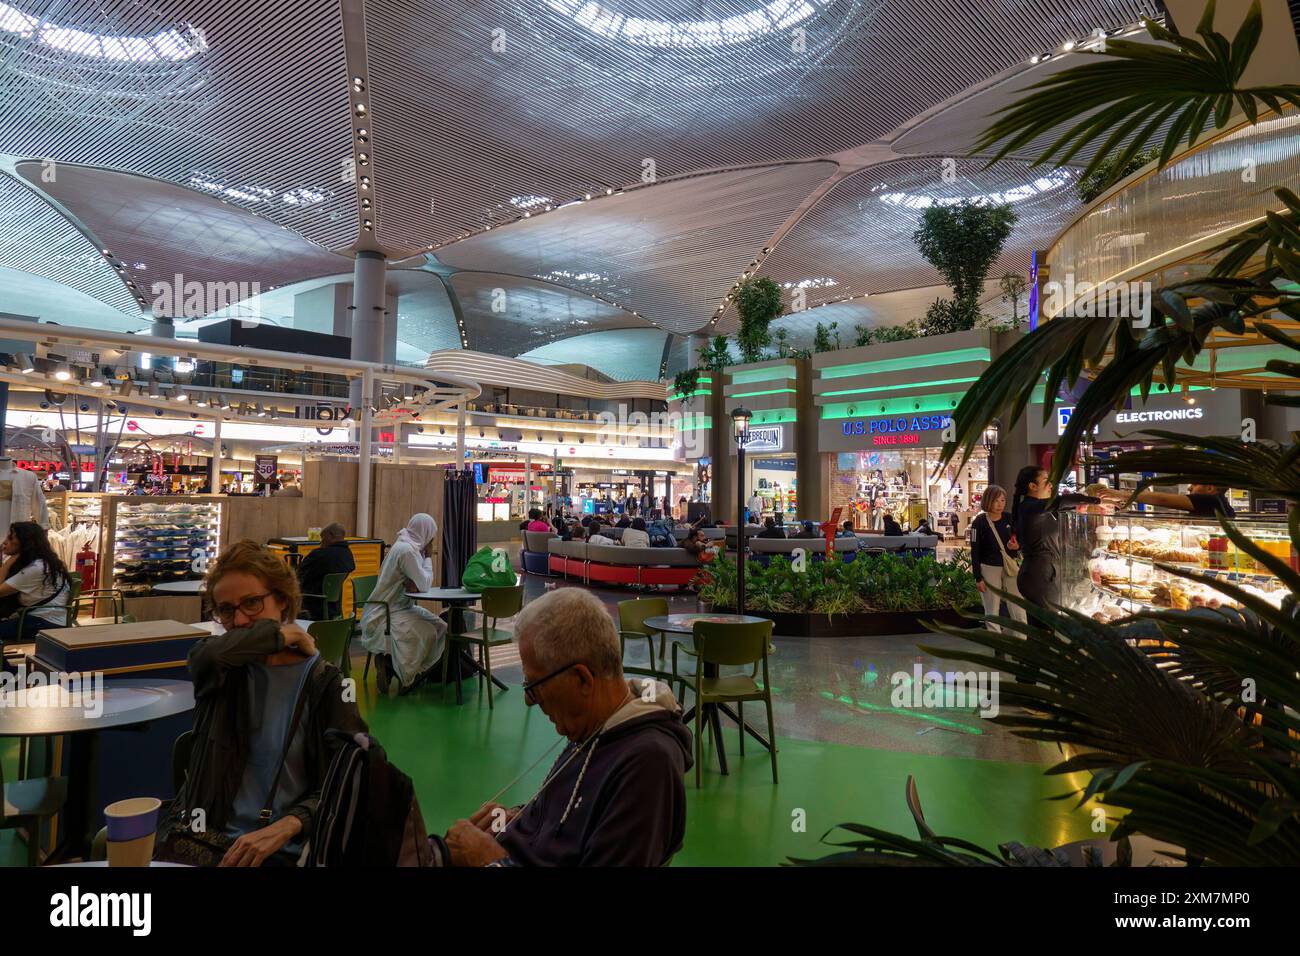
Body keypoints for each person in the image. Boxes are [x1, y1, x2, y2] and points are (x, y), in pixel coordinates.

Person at [442, 588, 691, 866]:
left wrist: (488, 861)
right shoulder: (595, 726)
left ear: (582, 680)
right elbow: (570, 821)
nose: (527, 700)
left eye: (534, 686)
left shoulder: (646, 766)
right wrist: (518, 820)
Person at [156, 540, 366, 866]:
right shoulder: (224, 671)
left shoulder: (324, 683)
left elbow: (350, 780)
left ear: (282, 600)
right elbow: (204, 655)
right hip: (206, 843)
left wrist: (290, 824)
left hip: (282, 851)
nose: (239, 620)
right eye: (226, 609)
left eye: (252, 603)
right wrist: (281, 635)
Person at [359, 514, 447, 693]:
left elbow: (419, 583)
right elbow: (425, 584)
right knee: (428, 631)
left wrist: (417, 581)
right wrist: (428, 558)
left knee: (440, 627)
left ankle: (414, 670)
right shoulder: (407, 551)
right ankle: (398, 670)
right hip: (386, 612)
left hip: (400, 607)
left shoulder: (406, 546)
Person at [1012, 466, 1099, 610]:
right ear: (1032, 486)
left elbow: (1060, 509)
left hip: (1043, 574)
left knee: (1042, 626)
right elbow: (1060, 502)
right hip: (1038, 577)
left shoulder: (1038, 509)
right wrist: (1096, 500)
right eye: (1046, 481)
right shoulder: (1029, 507)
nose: (1051, 485)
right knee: (1046, 626)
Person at [0, 522, 72, 643]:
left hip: (44, 622)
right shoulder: (45, 562)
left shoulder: (37, 568)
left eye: (11, 537)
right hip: (49, 619)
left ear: (24, 542)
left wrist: (9, 561)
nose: (5, 542)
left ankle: (5, 663)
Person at [971, 485, 1026, 632]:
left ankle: (1020, 642)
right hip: (989, 568)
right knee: (992, 609)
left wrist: (1016, 546)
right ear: (988, 501)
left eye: (1002, 500)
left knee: (1018, 607)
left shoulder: (1010, 519)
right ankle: (998, 647)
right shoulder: (979, 522)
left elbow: (1021, 540)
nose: (1000, 504)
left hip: (1010, 567)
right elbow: (975, 551)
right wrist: (978, 577)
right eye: (996, 501)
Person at [296, 523, 355, 620]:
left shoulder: (319, 555)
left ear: (331, 535)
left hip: (312, 606)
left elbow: (299, 575)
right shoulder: (347, 554)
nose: (321, 542)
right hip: (334, 606)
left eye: (323, 538)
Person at [1098, 483, 1234, 518]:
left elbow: (1162, 499)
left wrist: (1121, 495)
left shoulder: (1211, 501)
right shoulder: (1219, 502)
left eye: (1195, 484)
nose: (1190, 487)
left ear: (1210, 488)